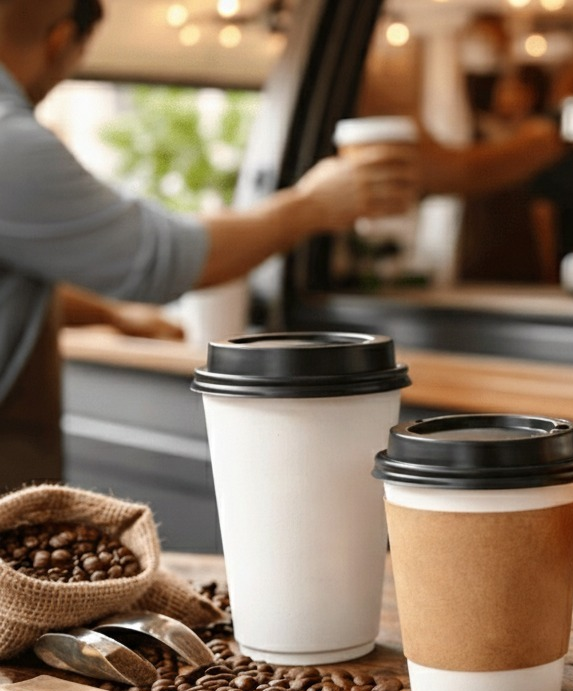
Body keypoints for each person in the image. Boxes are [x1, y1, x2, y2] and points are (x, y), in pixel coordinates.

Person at [0, 0, 417, 491]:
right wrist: (313, 204)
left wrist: (116, 317)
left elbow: (22, 261)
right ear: (61, 39)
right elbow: (165, 259)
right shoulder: (10, 141)